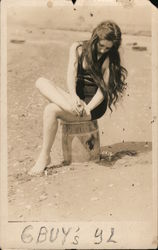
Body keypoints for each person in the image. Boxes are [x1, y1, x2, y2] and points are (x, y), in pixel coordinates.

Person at [29, 20, 127, 175]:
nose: (103, 50)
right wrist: (73, 96)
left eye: (108, 48)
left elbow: (103, 92)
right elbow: (71, 74)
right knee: (40, 81)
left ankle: (44, 157)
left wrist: (87, 108)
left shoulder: (110, 58)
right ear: (95, 38)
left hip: (93, 105)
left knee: (50, 109)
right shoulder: (78, 48)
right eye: (101, 45)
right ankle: (73, 108)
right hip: (76, 101)